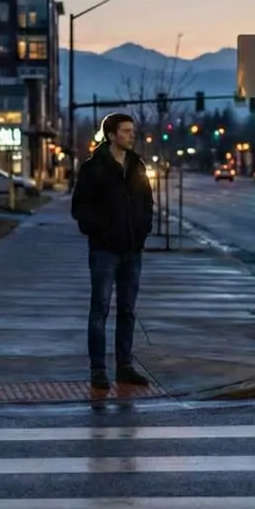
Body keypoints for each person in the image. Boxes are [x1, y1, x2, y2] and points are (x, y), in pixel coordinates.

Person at [70, 112, 155, 389]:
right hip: (104, 251)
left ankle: (125, 366)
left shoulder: (136, 165)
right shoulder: (94, 168)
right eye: (126, 131)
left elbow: (147, 202)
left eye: (132, 131)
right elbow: (79, 208)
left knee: (127, 310)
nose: (132, 135)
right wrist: (102, 230)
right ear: (111, 136)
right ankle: (98, 369)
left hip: (132, 250)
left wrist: (142, 231)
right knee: (100, 310)